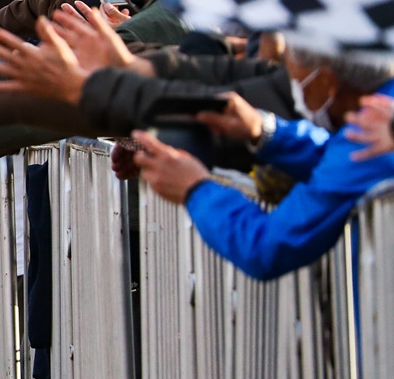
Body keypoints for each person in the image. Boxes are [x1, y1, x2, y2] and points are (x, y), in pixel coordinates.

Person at [133, 52, 394, 281]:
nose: (296, 92)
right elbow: (337, 163)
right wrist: (266, 131)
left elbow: (265, 247)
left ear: (326, 81)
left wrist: (195, 188)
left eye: (296, 80)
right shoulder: (381, 127)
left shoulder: (366, 136)